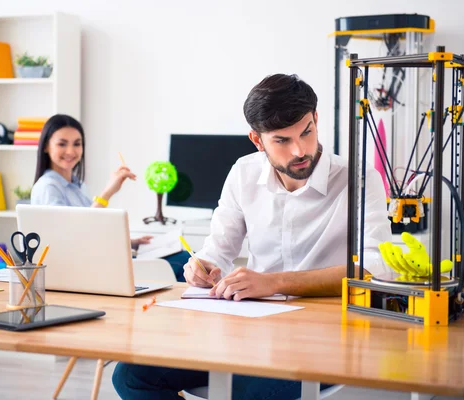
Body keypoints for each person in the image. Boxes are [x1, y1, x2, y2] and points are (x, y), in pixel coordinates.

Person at [112, 74, 392, 399]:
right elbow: (216, 251)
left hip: (325, 338)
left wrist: (275, 282)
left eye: (306, 132)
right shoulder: (243, 173)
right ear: (257, 141)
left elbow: (375, 268)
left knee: (253, 390)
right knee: (131, 375)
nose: (300, 150)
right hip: (250, 330)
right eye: (281, 141)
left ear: (316, 120)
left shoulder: (359, 178)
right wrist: (201, 267)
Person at [31, 114, 189, 280]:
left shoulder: (78, 186)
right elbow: (73, 236)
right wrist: (107, 192)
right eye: (62, 144)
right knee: (185, 262)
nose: (71, 151)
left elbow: (91, 233)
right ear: (46, 147)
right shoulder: (48, 187)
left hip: (98, 259)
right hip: (84, 269)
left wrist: (130, 242)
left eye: (77, 144)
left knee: (184, 257)